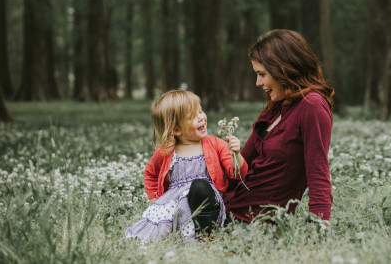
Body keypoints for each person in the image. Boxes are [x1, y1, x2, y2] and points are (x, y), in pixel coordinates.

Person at [223, 29, 334, 223]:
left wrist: (320, 226)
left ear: (284, 69)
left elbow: (318, 172)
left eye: (262, 74)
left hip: (254, 222)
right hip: (226, 208)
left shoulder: (312, 106)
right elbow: (243, 164)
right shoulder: (275, 106)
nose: (258, 83)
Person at [125, 90, 248, 242]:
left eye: (201, 111)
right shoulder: (166, 150)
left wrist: (236, 155)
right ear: (176, 129)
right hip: (177, 203)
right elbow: (150, 173)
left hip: (207, 200)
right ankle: (181, 233)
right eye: (193, 117)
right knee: (160, 229)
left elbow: (237, 174)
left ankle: (206, 233)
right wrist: (154, 198)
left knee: (200, 186)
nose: (202, 117)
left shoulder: (216, 144)